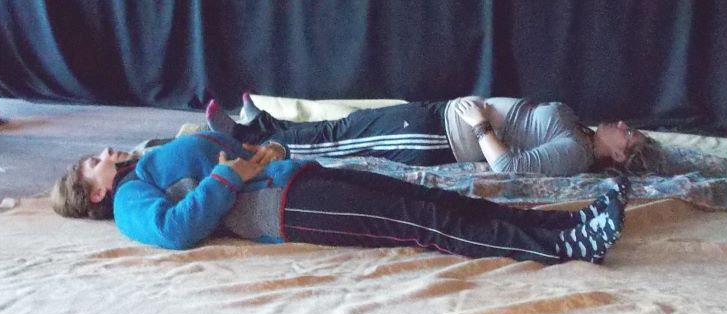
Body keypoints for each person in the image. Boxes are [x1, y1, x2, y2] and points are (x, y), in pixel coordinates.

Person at [50, 130, 630, 265]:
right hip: (281, 209)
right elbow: (176, 230)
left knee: (432, 197)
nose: (102, 153)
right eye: (90, 163)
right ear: (95, 192)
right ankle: (566, 249)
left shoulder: (147, 158)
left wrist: (256, 151)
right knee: (422, 219)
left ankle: (564, 224)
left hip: (293, 178)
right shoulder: (128, 201)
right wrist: (229, 175)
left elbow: (219, 157)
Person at [204, 93, 649, 176]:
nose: (623, 125)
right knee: (344, 127)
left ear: (617, 157)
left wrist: (480, 123)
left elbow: (508, 166)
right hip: (436, 117)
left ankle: (247, 141)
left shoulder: (573, 152)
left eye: (628, 135)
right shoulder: (577, 128)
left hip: (436, 138)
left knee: (339, 139)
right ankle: (264, 124)